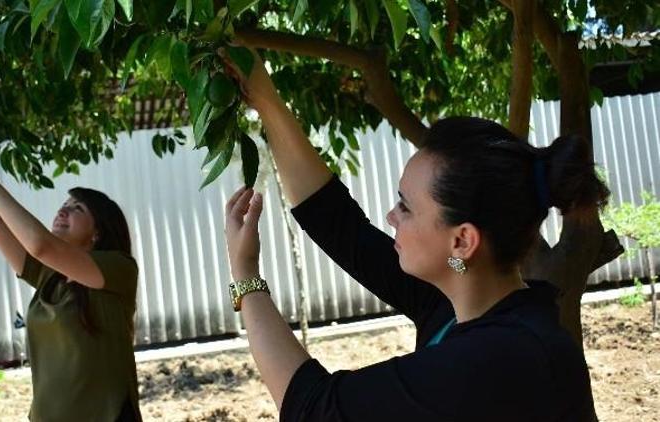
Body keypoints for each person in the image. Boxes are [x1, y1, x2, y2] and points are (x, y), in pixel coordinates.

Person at [222, 50, 605, 421]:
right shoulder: (456, 306)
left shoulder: (504, 357)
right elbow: (338, 225)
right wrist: (265, 100)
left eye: (405, 206)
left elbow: (315, 410)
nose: (391, 216)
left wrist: (245, 275)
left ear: (462, 241)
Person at [0, 128, 142, 421]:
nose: (63, 212)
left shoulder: (119, 268)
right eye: (63, 205)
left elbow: (40, 245)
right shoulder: (48, 275)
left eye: (76, 208)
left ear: (98, 233)